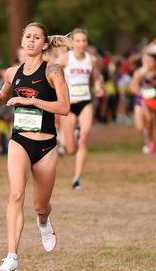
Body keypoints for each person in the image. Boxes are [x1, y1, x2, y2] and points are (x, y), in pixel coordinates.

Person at [0, 22, 70, 271]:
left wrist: (32, 101)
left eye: (36, 37)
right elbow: (5, 95)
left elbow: (64, 107)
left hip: (46, 144)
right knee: (16, 194)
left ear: (44, 43)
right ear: (21, 41)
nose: (30, 41)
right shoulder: (11, 72)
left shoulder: (53, 70)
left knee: (40, 205)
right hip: (19, 140)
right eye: (27, 36)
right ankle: (11, 258)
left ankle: (43, 221)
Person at [57, 28, 103, 190]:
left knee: (84, 139)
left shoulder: (92, 60)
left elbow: (97, 77)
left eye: (84, 41)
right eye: (78, 41)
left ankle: (77, 178)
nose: (81, 44)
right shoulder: (64, 59)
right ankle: (67, 138)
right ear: (72, 43)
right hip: (68, 105)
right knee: (70, 149)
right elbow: (51, 75)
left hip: (85, 103)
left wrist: (99, 87)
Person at [130, 52, 156, 157]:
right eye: (146, 61)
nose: (148, 63)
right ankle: (150, 142)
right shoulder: (140, 73)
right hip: (145, 100)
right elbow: (133, 86)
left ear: (155, 62)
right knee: (149, 119)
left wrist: (153, 81)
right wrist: (138, 90)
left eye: (150, 61)